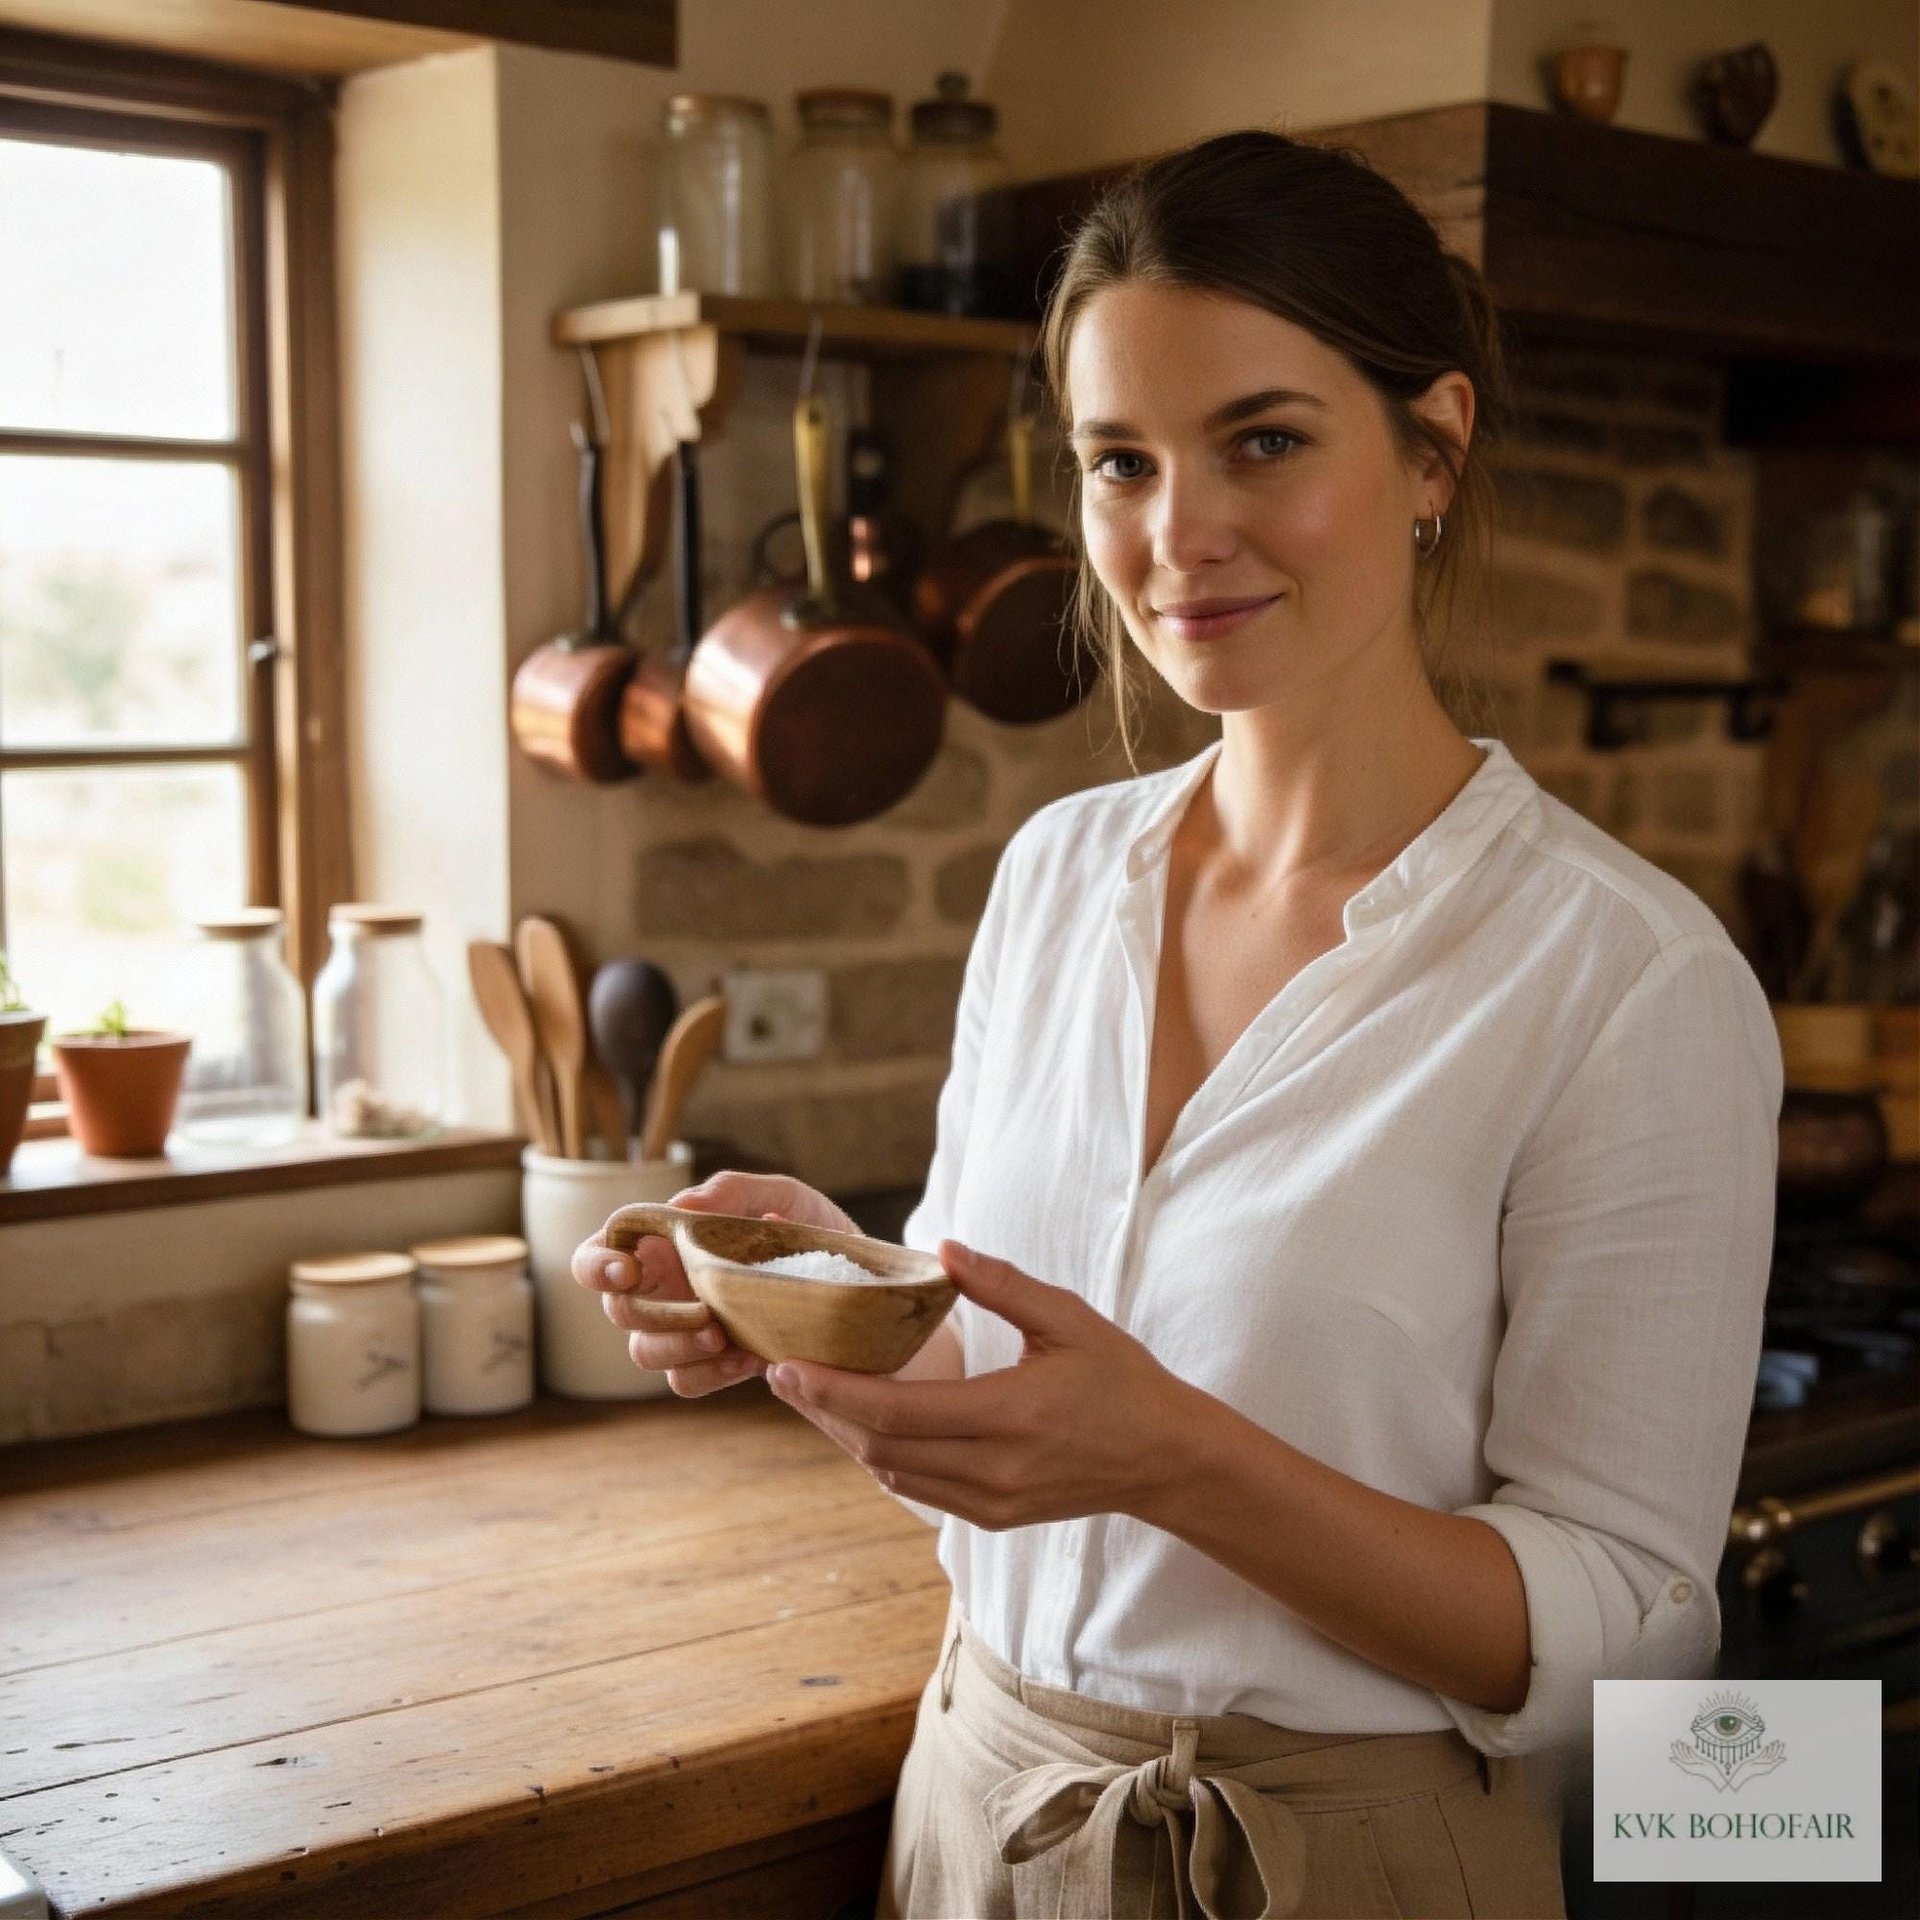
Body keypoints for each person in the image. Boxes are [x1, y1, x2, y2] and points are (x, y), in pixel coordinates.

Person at [574, 128, 1781, 1920]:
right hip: (985, 1810)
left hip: (1356, 1857)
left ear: (1431, 448)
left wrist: (1176, 1456)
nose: (1174, 536)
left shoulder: (1628, 979)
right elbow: (1031, 1412)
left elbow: (1633, 1654)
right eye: (1117, 461)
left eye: (1264, 441)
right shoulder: (1059, 877)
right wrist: (847, 1299)